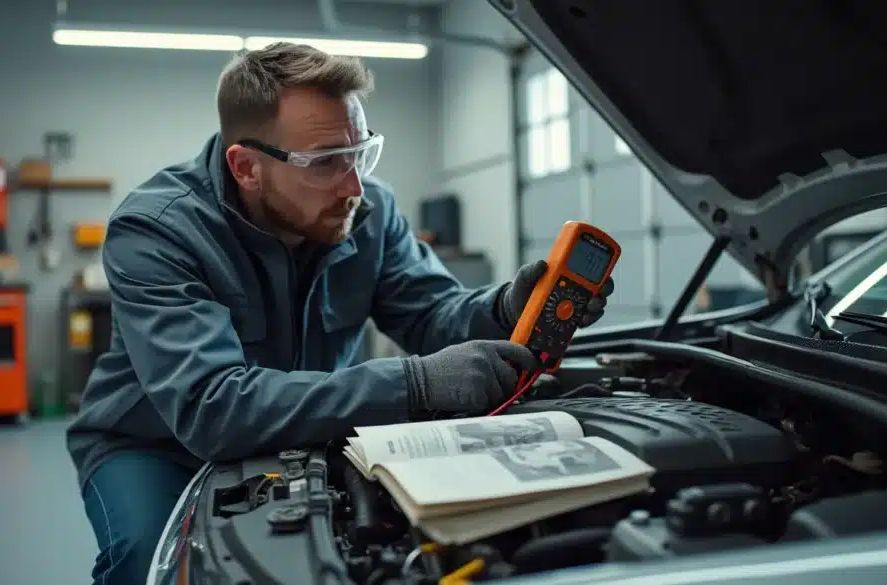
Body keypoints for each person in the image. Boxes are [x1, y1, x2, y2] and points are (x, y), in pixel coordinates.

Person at [67, 42, 613, 584]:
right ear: (247, 167)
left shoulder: (369, 211)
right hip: (154, 445)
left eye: (360, 152)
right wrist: (415, 384)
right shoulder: (157, 231)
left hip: (306, 425)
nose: (354, 186)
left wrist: (503, 308)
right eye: (326, 161)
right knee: (144, 558)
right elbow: (214, 408)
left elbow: (432, 314)